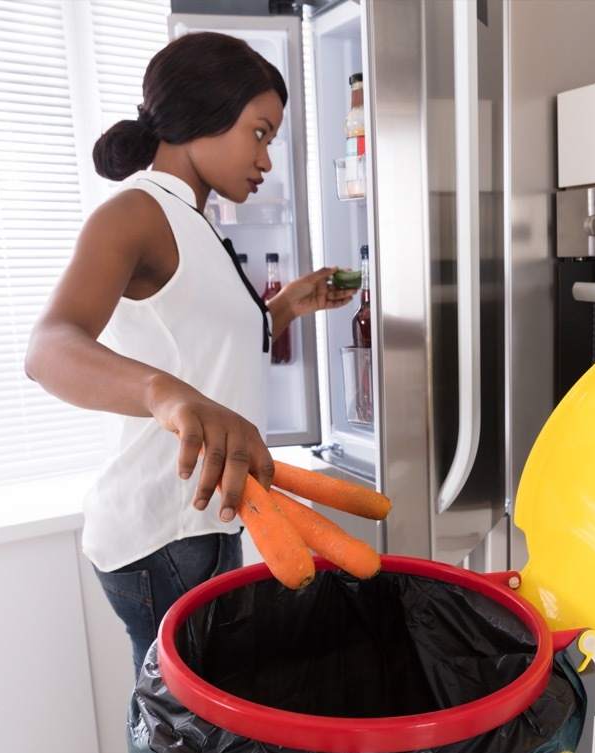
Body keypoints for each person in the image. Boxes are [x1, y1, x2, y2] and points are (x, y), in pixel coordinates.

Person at [25, 32, 357, 678]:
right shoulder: (136, 212)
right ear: (203, 114)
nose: (266, 158)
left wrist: (285, 307)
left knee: (195, 737)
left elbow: (199, 342)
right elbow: (49, 348)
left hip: (204, 521)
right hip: (164, 533)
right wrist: (165, 393)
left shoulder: (195, 222)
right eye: (258, 133)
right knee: (191, 746)